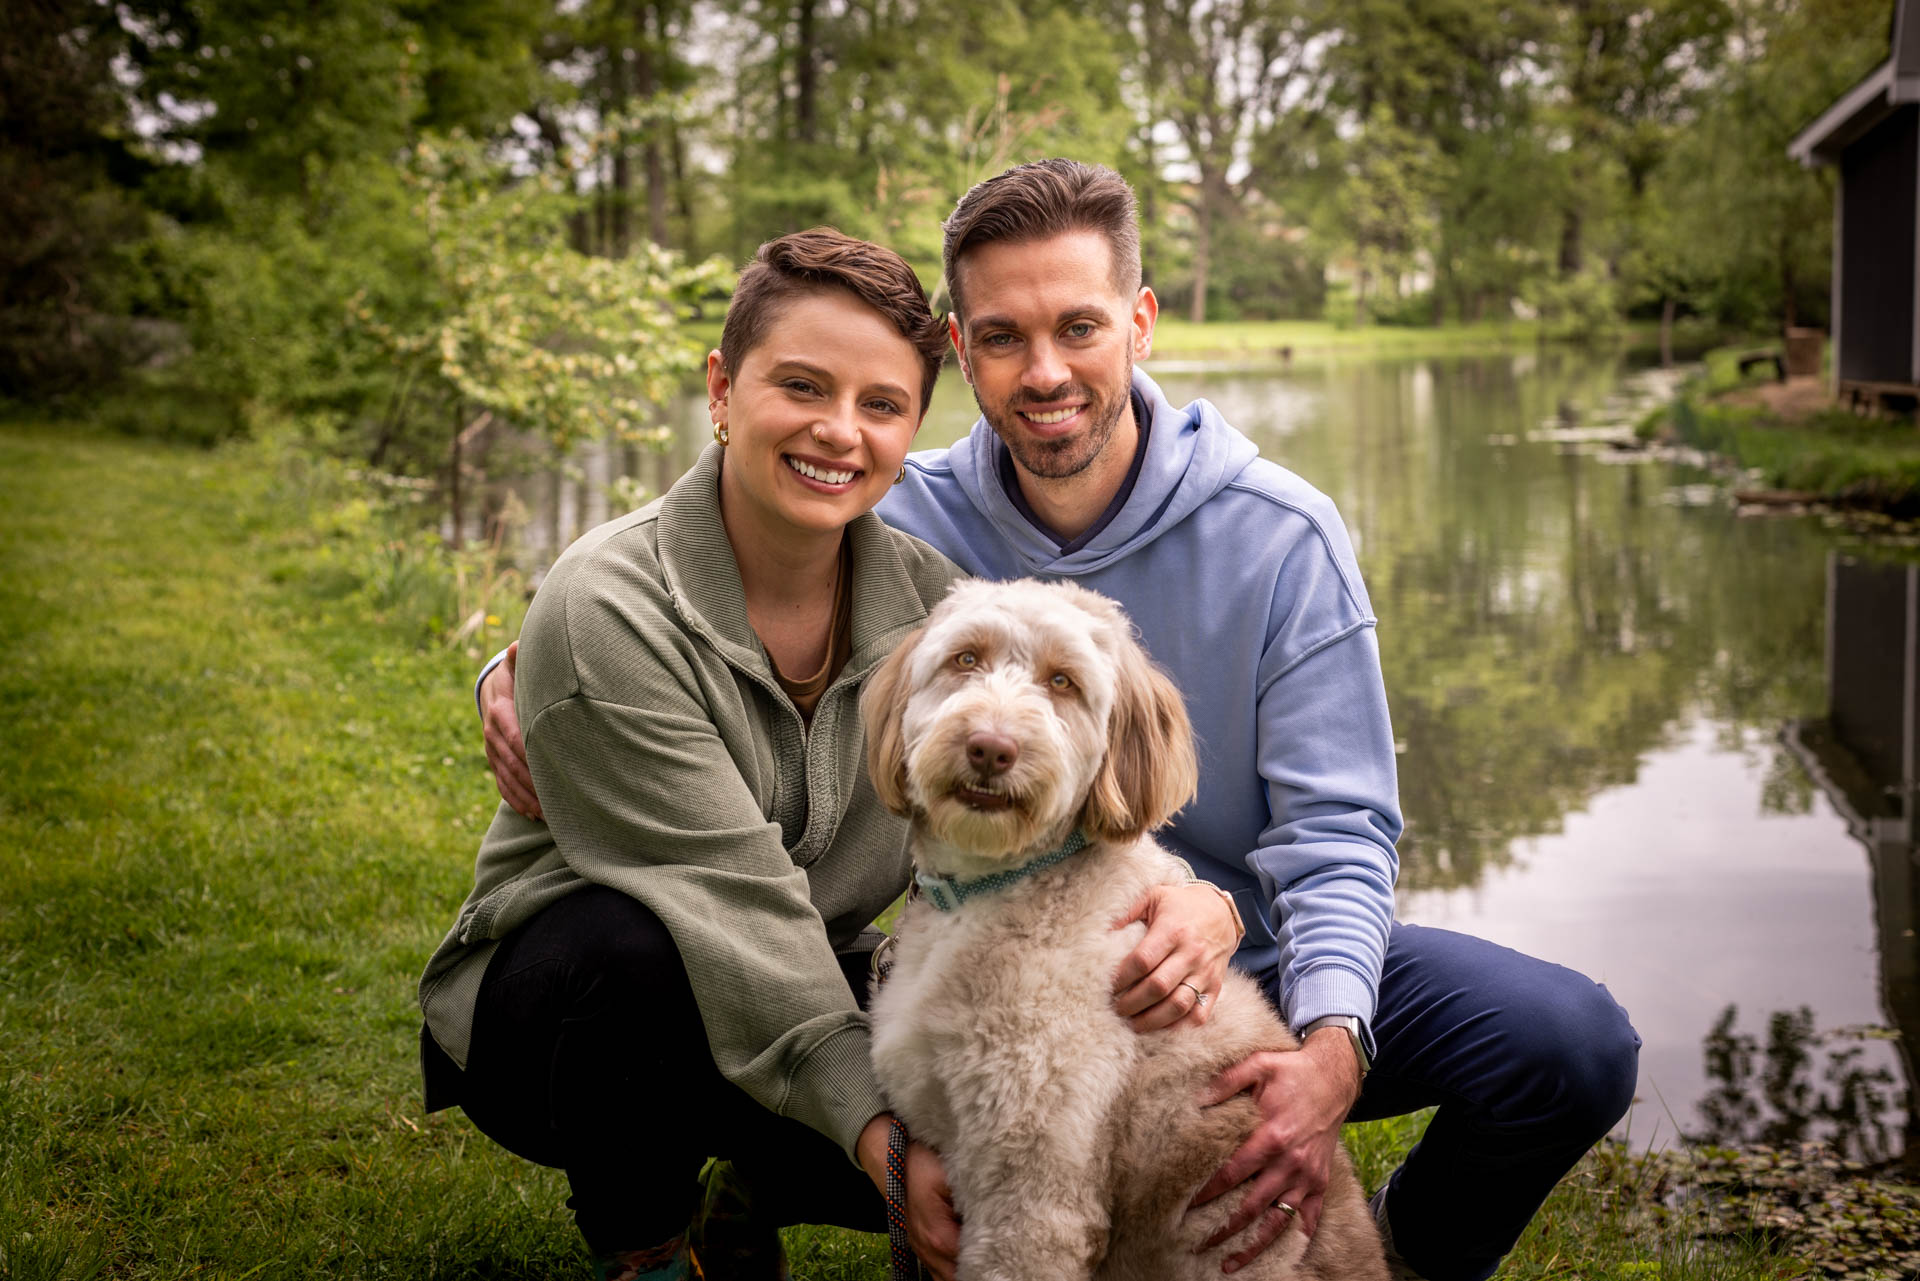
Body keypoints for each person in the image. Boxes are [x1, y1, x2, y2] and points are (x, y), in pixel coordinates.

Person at [476, 162, 1642, 1281]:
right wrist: (519, 668)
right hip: (1020, 949)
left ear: (1139, 323)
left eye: (1077, 327)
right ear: (966, 356)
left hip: (1254, 951)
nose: (1044, 372)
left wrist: (1329, 1040)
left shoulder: (1286, 534)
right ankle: (751, 1192)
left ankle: (1395, 1254)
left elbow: (1342, 832)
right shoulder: (904, 512)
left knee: (1566, 1040)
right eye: (1001, 338)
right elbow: (710, 542)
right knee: (919, 1072)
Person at [420, 227, 1243, 1281]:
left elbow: (1080, 718)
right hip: (575, 1016)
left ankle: (761, 1185)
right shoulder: (604, 608)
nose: (839, 432)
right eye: (801, 386)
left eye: (881, 405)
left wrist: (1190, 895)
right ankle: (650, 1251)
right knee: (633, 950)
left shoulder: (928, 597)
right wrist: (877, 1142)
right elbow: (732, 906)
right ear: (722, 387)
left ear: (912, 431)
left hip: (798, 972)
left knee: (993, 1017)